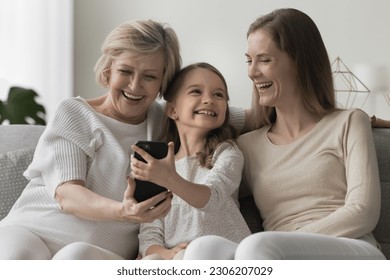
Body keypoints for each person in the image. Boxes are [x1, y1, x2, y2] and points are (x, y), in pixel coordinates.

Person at [0, 20, 250, 260]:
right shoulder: (74, 113)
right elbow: (67, 194)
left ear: (163, 82)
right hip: (34, 230)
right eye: (125, 71)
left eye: (150, 76)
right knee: (17, 259)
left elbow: (238, 115)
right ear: (108, 71)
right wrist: (123, 211)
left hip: (95, 255)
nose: (135, 85)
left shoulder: (166, 117)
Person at [183, 8, 386, 260]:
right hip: (273, 255)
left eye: (264, 60)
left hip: (353, 247)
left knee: (255, 247)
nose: (251, 72)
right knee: (203, 249)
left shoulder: (349, 122)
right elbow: (216, 199)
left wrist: (286, 240)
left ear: (300, 62)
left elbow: (363, 212)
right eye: (249, 60)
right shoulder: (247, 146)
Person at [131, 62, 251, 260]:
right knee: (151, 260)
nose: (209, 100)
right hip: (176, 258)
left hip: (221, 254)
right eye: (196, 91)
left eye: (219, 95)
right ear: (172, 110)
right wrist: (167, 254)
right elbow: (149, 233)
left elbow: (212, 198)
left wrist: (169, 179)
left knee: (199, 250)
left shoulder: (226, 153)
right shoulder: (156, 166)